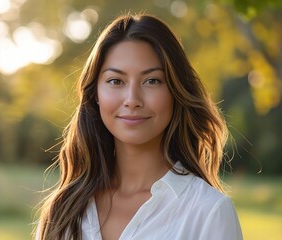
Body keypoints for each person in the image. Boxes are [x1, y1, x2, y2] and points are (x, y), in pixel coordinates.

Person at [35, 13, 243, 240]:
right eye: (116, 81)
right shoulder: (65, 209)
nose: (132, 99)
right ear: (95, 93)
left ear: (175, 92)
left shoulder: (208, 211)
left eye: (152, 81)